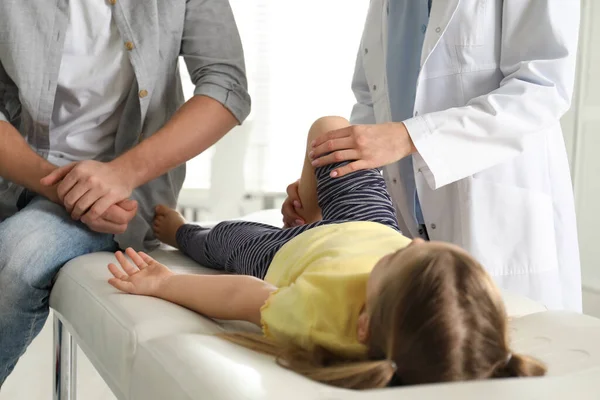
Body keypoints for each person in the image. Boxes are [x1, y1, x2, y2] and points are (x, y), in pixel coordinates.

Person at [107, 117, 546, 389]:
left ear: (364, 323)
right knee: (332, 132)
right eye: (423, 248)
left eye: (400, 258)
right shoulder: (458, 316)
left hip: (291, 251)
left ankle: (183, 230)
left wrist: (166, 283)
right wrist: (318, 198)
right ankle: (312, 205)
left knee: (221, 241)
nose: (414, 241)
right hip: (369, 223)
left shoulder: (318, 314)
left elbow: (240, 295)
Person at [0, 0, 250, 385]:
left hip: (125, 196)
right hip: (17, 172)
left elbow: (226, 84)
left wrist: (123, 173)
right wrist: (66, 187)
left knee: (19, 254)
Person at [282, 0, 582, 311]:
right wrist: (333, 179)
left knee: (498, 343)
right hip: (405, 228)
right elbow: (371, 98)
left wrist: (410, 137)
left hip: (494, 223)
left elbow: (542, 89)